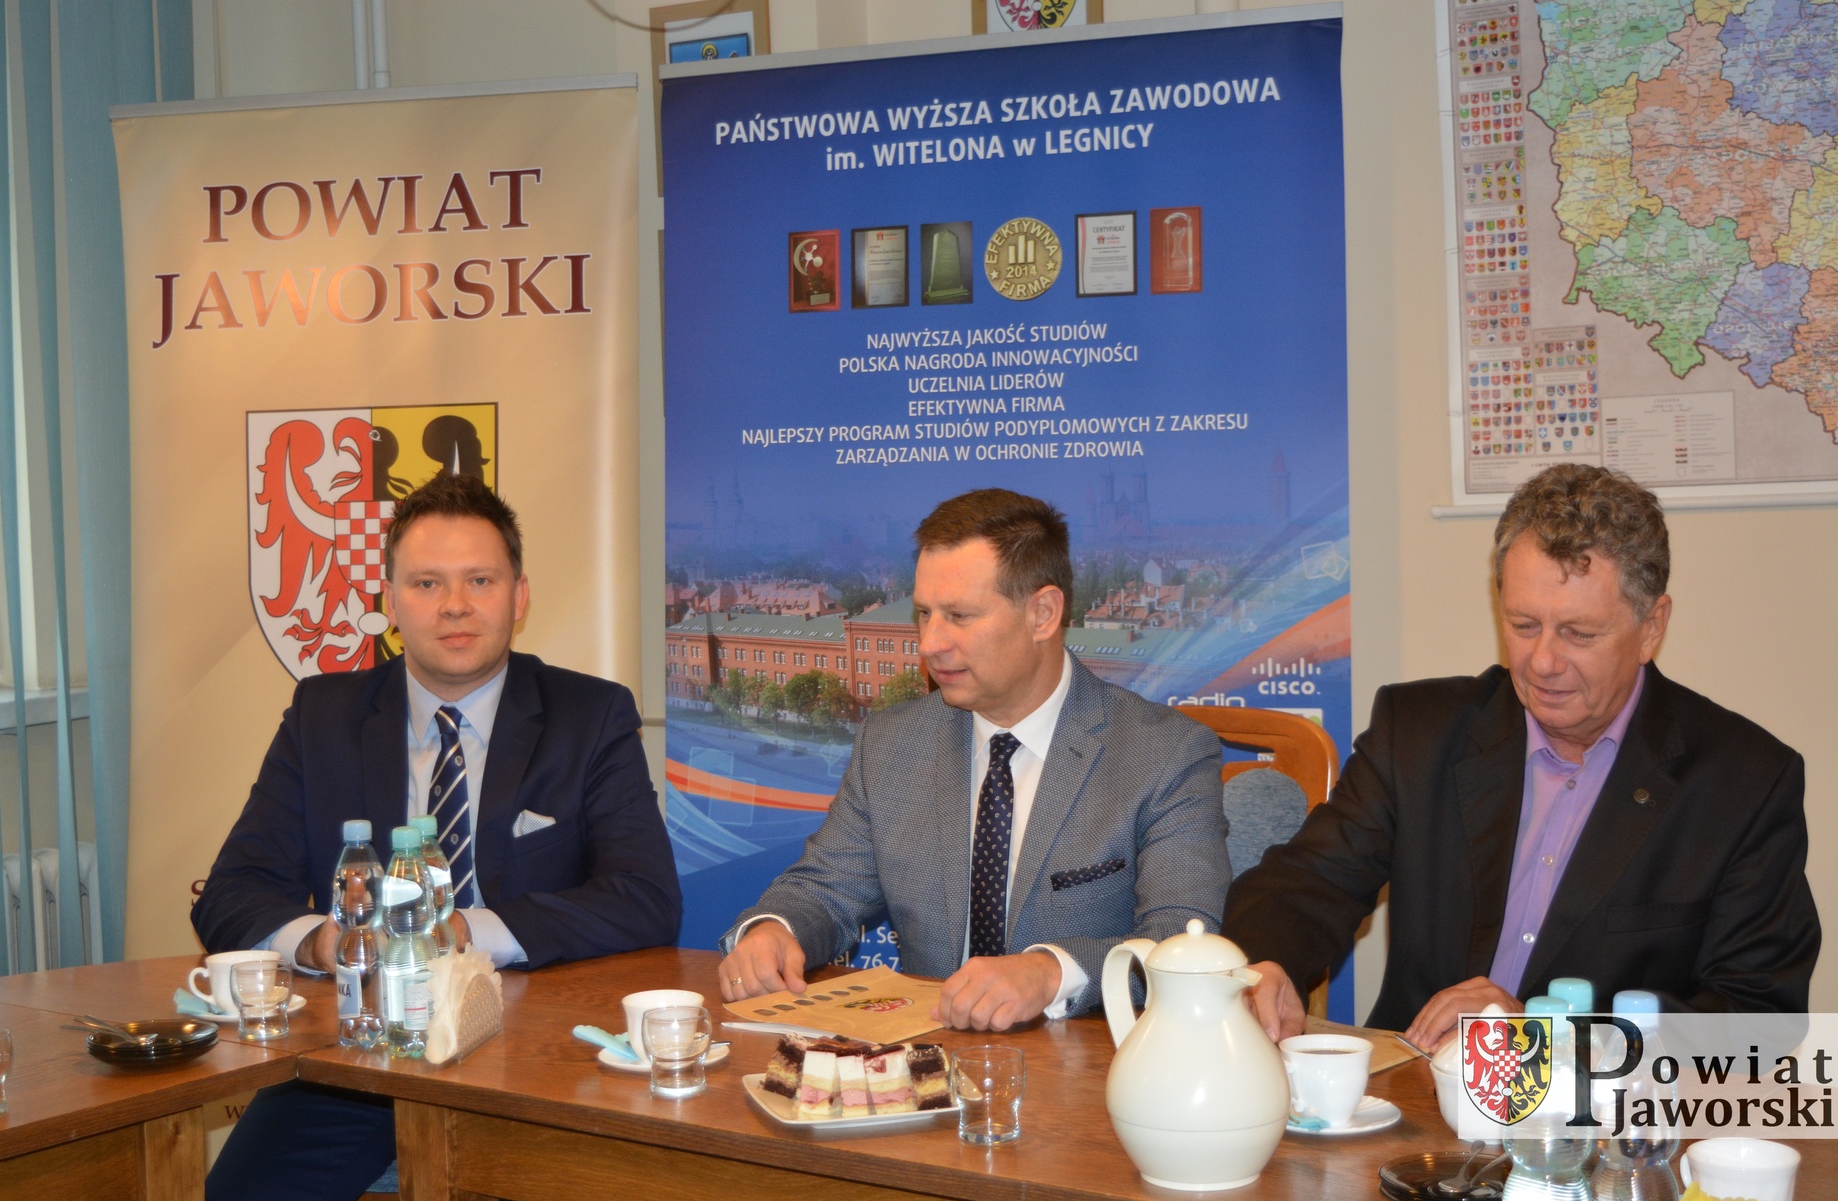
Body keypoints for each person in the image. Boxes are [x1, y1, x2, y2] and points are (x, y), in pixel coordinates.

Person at [193, 472, 680, 1201]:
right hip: (358, 1052)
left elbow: (647, 898)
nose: (455, 606)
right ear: (389, 599)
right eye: (427, 584)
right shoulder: (323, 716)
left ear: (519, 596)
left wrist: (458, 933)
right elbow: (233, 891)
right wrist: (325, 942)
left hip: (528, 1058)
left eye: (479, 581)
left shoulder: (588, 715)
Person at [1226, 463, 1819, 1051]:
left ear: (1651, 627)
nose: (1543, 662)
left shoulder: (1743, 783)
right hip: (1419, 1091)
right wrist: (1264, 965)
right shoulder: (1418, 735)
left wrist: (1546, 1035)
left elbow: (1759, 1018)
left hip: (1600, 1104)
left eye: (1579, 634)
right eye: (1524, 625)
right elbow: (1302, 884)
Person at [717, 487, 1231, 1030]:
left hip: (1087, 1062)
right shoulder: (892, 743)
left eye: (960, 616)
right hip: (925, 1059)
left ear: (1042, 614)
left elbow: (1181, 941)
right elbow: (825, 888)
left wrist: (1051, 972)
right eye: (924, 614)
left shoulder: (1165, 755)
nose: (930, 644)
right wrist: (774, 930)